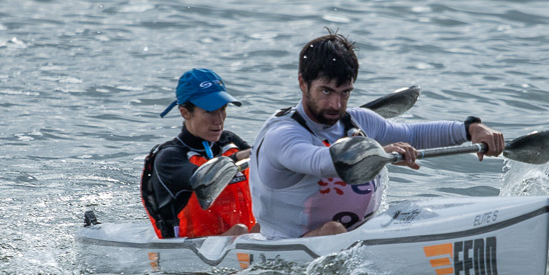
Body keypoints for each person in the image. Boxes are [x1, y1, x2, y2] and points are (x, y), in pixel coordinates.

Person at [248, 33, 504, 239]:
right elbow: (320, 162)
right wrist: (377, 151)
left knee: (414, 211)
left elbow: (414, 133)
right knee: (333, 231)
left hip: (355, 240)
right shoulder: (282, 135)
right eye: (326, 91)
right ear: (303, 83)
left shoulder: (359, 120)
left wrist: (470, 129)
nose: (337, 105)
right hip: (290, 252)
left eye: (345, 93)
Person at [140, 68, 258, 239]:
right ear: (185, 112)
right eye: (209, 111)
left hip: (241, 239)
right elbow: (205, 179)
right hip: (190, 248)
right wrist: (237, 157)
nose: (218, 119)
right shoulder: (169, 157)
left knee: (267, 224)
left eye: (222, 109)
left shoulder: (230, 141)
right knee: (240, 230)